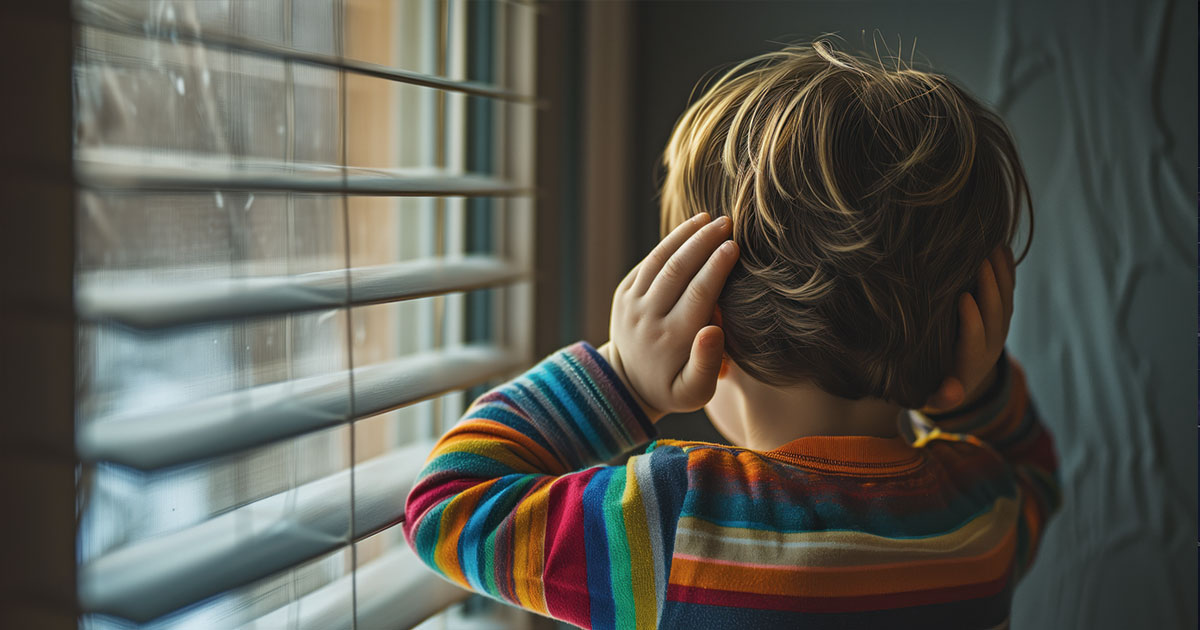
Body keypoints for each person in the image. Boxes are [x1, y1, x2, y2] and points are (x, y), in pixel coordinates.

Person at [403, 39, 1061, 629]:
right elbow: (1036, 470)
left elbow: (445, 507)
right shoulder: (980, 512)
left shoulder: (679, 526)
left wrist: (622, 380)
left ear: (705, 323)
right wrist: (974, 393)